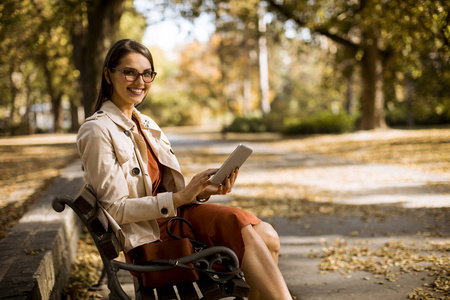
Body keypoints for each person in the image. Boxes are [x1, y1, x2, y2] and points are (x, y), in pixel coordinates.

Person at [77, 39, 292, 299]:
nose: (140, 81)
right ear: (108, 74)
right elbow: (116, 210)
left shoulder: (145, 123)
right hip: (151, 235)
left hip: (175, 220)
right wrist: (180, 198)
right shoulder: (97, 130)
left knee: (268, 235)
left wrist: (200, 192)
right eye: (129, 72)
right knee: (249, 232)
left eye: (147, 73)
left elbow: (165, 189)